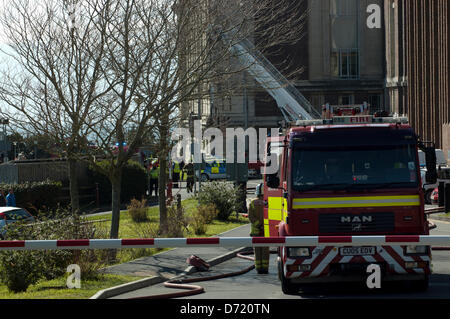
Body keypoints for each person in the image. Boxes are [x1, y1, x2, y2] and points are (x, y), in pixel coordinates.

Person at [248, 183, 269, 274]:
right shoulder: (267, 202)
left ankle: (258, 268)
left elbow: (250, 216)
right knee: (265, 251)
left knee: (257, 251)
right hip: (265, 231)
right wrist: (263, 225)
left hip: (256, 232)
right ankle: (265, 268)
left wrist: (257, 225)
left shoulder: (252, 202)